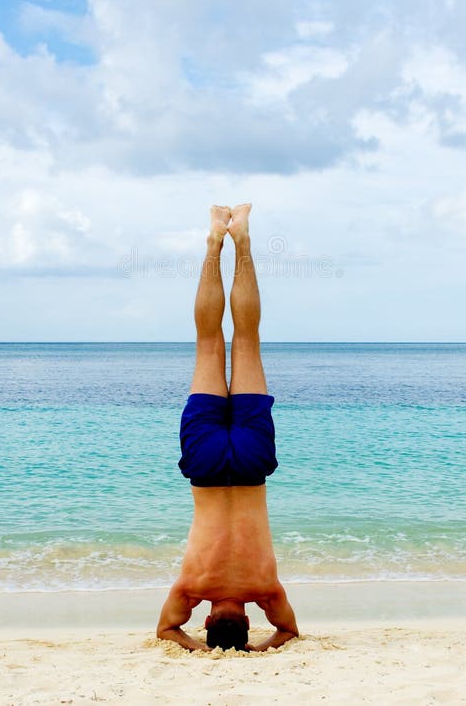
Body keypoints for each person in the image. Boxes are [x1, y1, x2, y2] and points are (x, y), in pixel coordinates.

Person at [156, 204, 299, 652]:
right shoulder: (191, 588)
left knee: (248, 339)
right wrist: (202, 648)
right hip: (206, 468)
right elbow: (167, 630)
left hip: (253, 467)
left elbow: (288, 631)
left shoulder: (266, 590)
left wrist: (258, 649)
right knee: (208, 342)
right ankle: (215, 241)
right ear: (208, 621)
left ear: (247, 622)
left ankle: (243, 242)